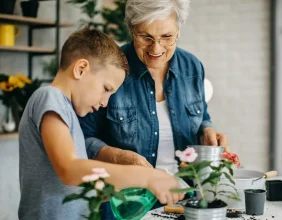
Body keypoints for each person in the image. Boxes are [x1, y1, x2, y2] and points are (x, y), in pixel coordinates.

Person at [79, 0, 229, 218]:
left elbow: (201, 114)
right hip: (127, 205)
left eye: (167, 37)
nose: (156, 48)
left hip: (185, 201)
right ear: (131, 30)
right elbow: (83, 137)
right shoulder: (110, 70)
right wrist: (120, 156)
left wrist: (206, 129)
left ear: (179, 29)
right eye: (145, 37)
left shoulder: (192, 67)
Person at [18, 27, 183, 220]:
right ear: (81, 69)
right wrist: (147, 177)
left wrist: (112, 190)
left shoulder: (68, 114)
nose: (105, 102)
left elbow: (75, 183)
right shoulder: (49, 96)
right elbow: (69, 170)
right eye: (106, 89)